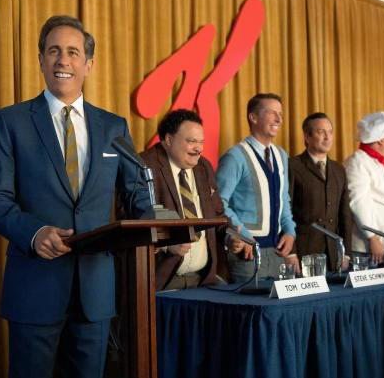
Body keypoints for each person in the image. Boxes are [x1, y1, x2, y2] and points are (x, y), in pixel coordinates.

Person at [0, 15, 150, 378]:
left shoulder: (113, 127)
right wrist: (34, 232)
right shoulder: (11, 122)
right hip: (34, 286)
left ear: (89, 64)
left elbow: (137, 194)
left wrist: (164, 225)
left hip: (95, 292)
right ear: (40, 59)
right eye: (54, 51)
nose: (63, 60)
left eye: (73, 52)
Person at [140, 109, 245, 290]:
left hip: (203, 279)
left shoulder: (203, 167)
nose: (199, 149)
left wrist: (230, 237)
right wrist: (166, 244)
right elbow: (133, 218)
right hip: (162, 280)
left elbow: (218, 214)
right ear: (169, 139)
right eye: (191, 141)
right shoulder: (144, 166)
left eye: (201, 142)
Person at [216, 93, 296, 281]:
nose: (279, 119)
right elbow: (218, 203)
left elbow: (283, 199)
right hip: (246, 254)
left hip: (277, 252)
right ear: (253, 117)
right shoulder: (235, 156)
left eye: (280, 114)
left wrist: (290, 231)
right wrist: (243, 235)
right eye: (272, 113)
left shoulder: (281, 155)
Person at [289, 113, 353, 272]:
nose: (327, 137)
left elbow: (345, 214)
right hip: (304, 252)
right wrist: (291, 252)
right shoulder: (293, 166)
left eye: (330, 132)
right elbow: (285, 211)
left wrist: (346, 253)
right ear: (307, 136)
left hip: (334, 252)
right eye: (321, 132)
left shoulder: (338, 169)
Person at [344, 111, 384, 266]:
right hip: (371, 247)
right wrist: (372, 237)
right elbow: (358, 202)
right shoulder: (357, 162)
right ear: (379, 141)